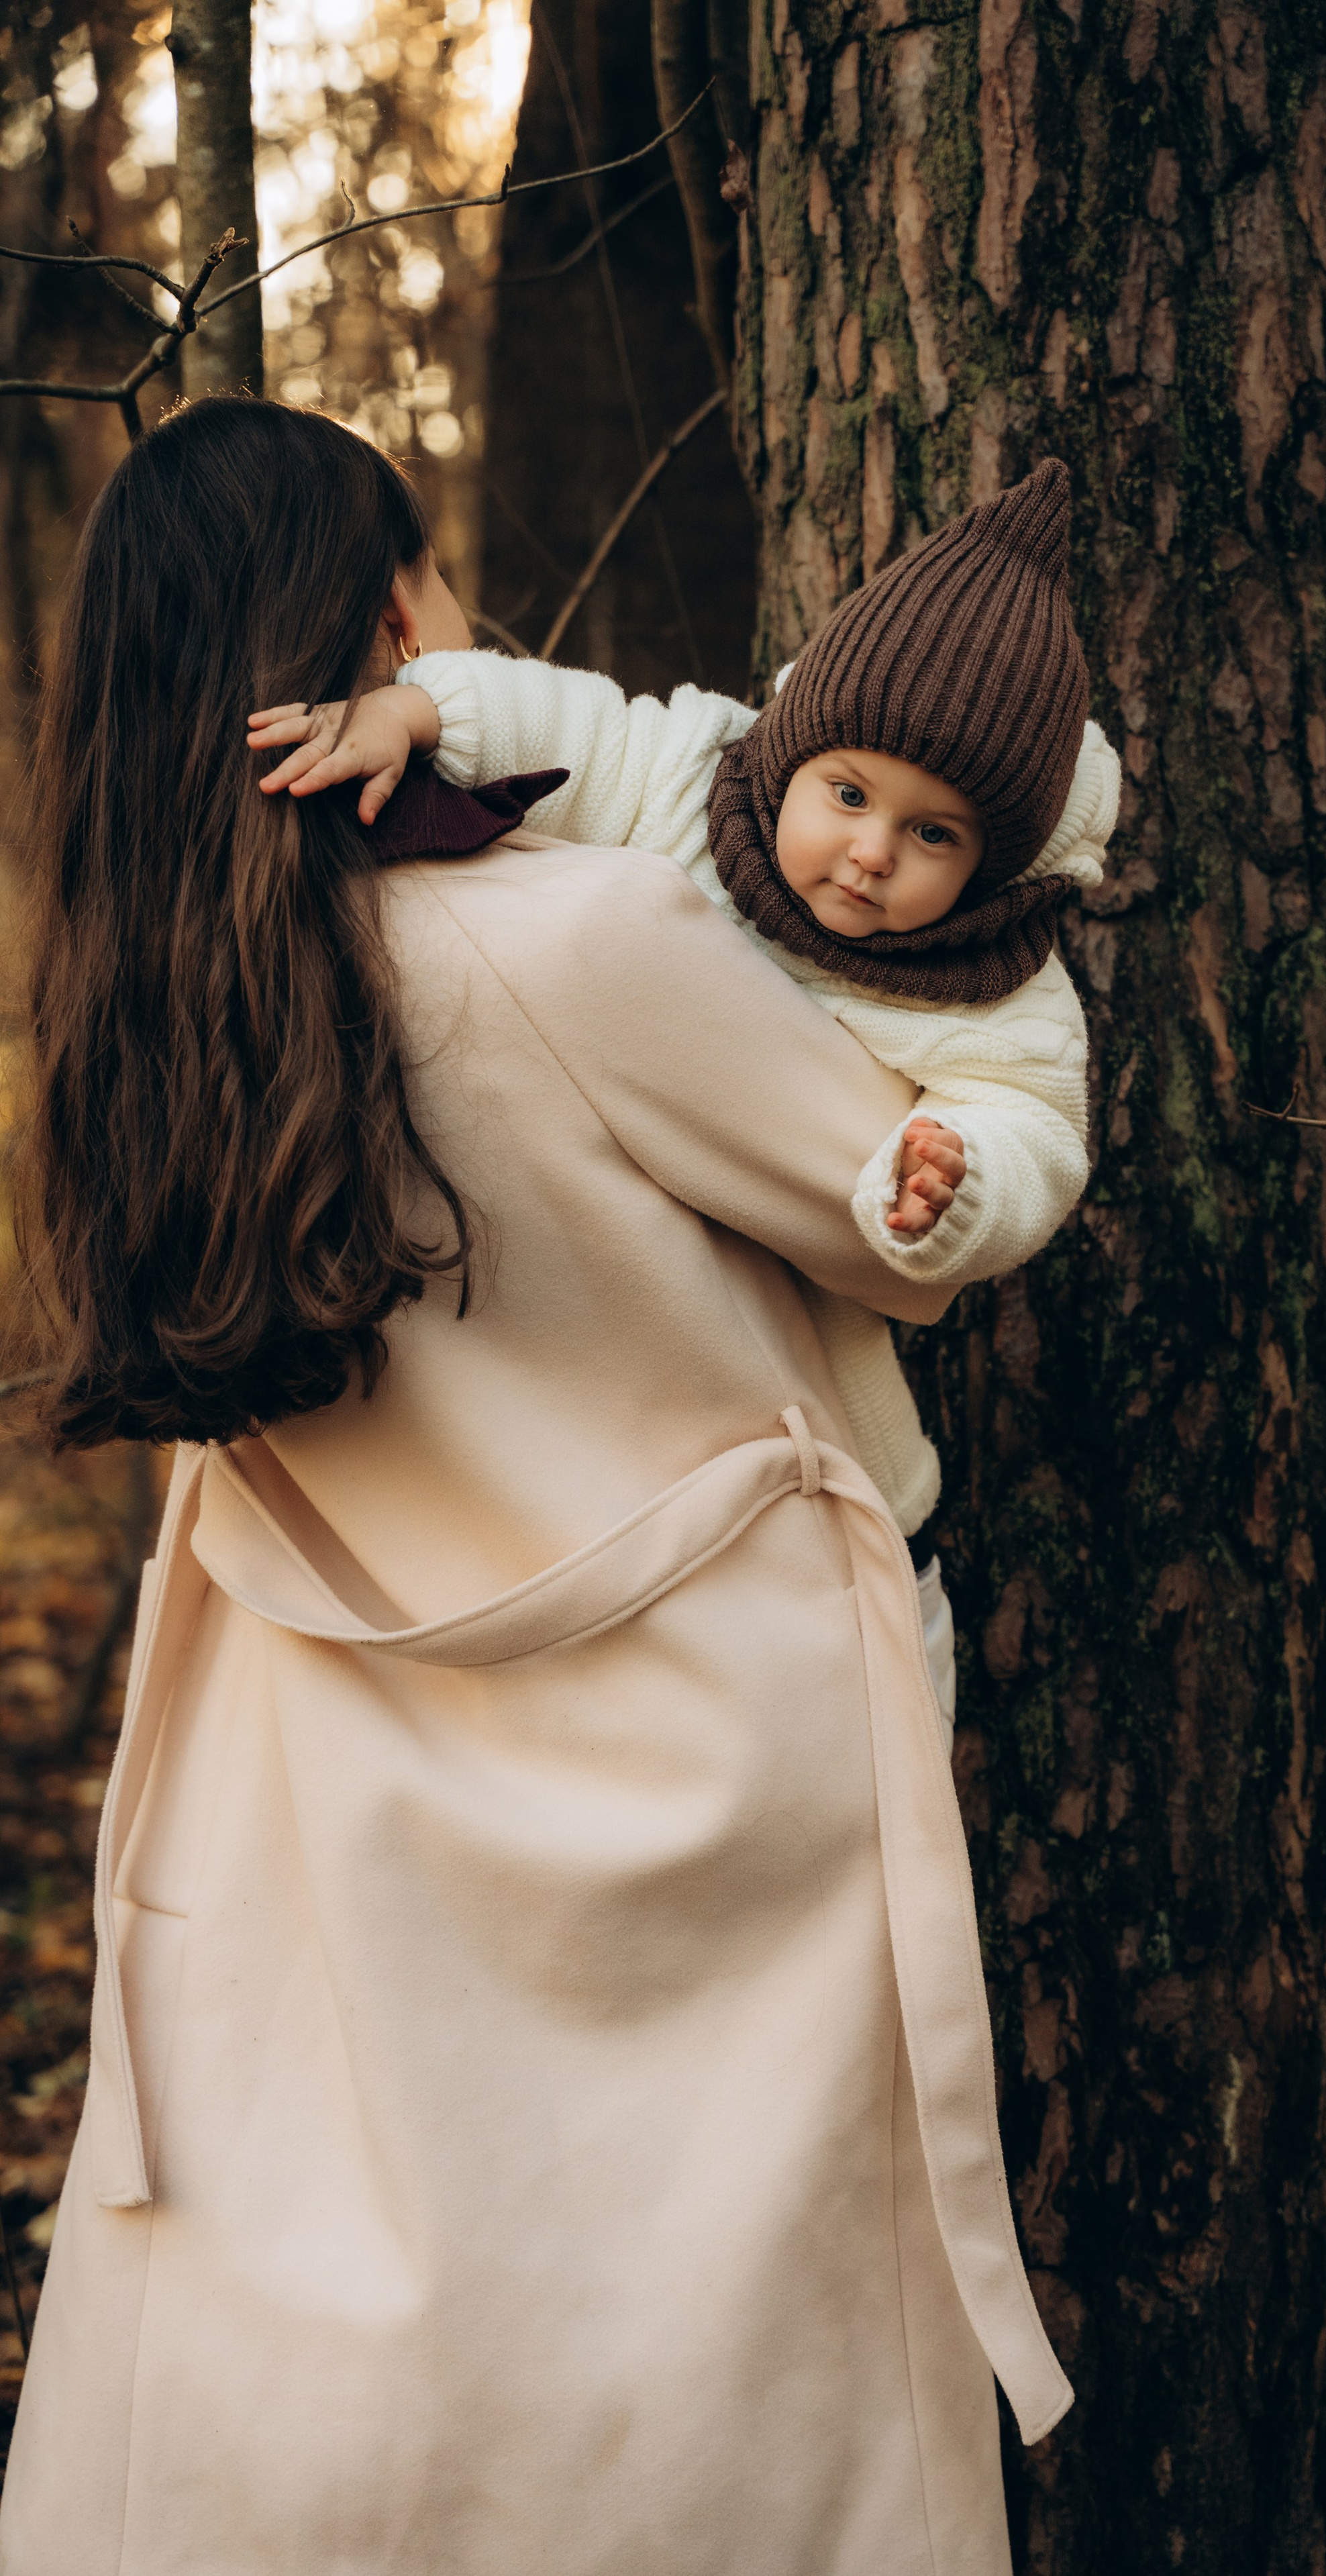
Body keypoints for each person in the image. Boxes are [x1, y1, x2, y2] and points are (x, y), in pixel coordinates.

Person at [0, 396, 1071, 2576]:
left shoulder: (140, 1016)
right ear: (393, 613)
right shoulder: (574, 944)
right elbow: (899, 1220)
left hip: (320, 1758)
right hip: (678, 1763)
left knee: (352, 2346)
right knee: (693, 2390)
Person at [248, 462, 1119, 1750]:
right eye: (850, 795)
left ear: (994, 866)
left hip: (819, 1393)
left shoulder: (995, 986)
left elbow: (1037, 1124)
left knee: (872, 1614)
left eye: (936, 837)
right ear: (791, 752)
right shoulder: (693, 785)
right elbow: (571, 719)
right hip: (618, 1355)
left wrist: (960, 1176)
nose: (874, 852)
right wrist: (418, 715)